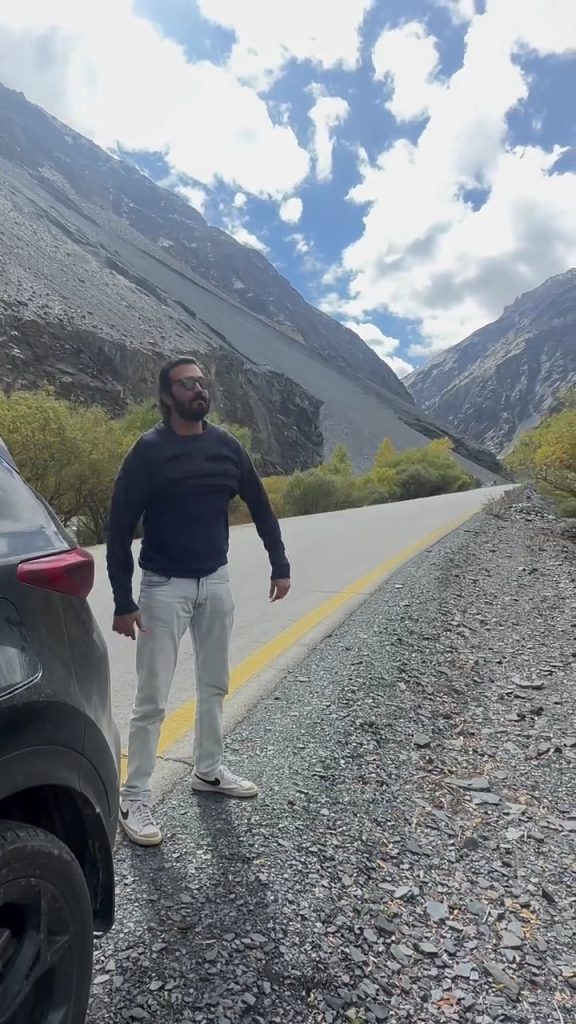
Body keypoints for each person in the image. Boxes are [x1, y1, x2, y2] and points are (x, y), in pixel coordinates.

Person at [106, 356, 291, 846]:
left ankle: (208, 771)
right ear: (167, 396)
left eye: (201, 382)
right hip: (163, 588)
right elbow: (119, 526)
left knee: (215, 685)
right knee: (151, 699)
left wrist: (281, 564)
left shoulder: (226, 445)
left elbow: (261, 505)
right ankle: (135, 795)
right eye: (186, 384)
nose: (197, 389)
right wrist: (123, 601)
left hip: (216, 582)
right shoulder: (147, 451)